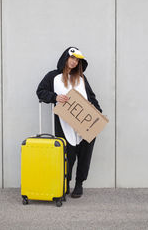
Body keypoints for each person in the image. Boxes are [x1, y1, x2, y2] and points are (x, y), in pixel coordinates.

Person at [36, 46, 102, 198]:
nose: (73, 62)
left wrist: (97, 114)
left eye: (77, 60)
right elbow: (40, 91)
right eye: (72, 58)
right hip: (64, 122)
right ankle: (65, 182)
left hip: (85, 122)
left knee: (85, 154)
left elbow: (91, 97)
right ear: (65, 57)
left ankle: (79, 184)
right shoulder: (53, 76)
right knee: (67, 155)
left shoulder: (81, 78)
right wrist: (55, 97)